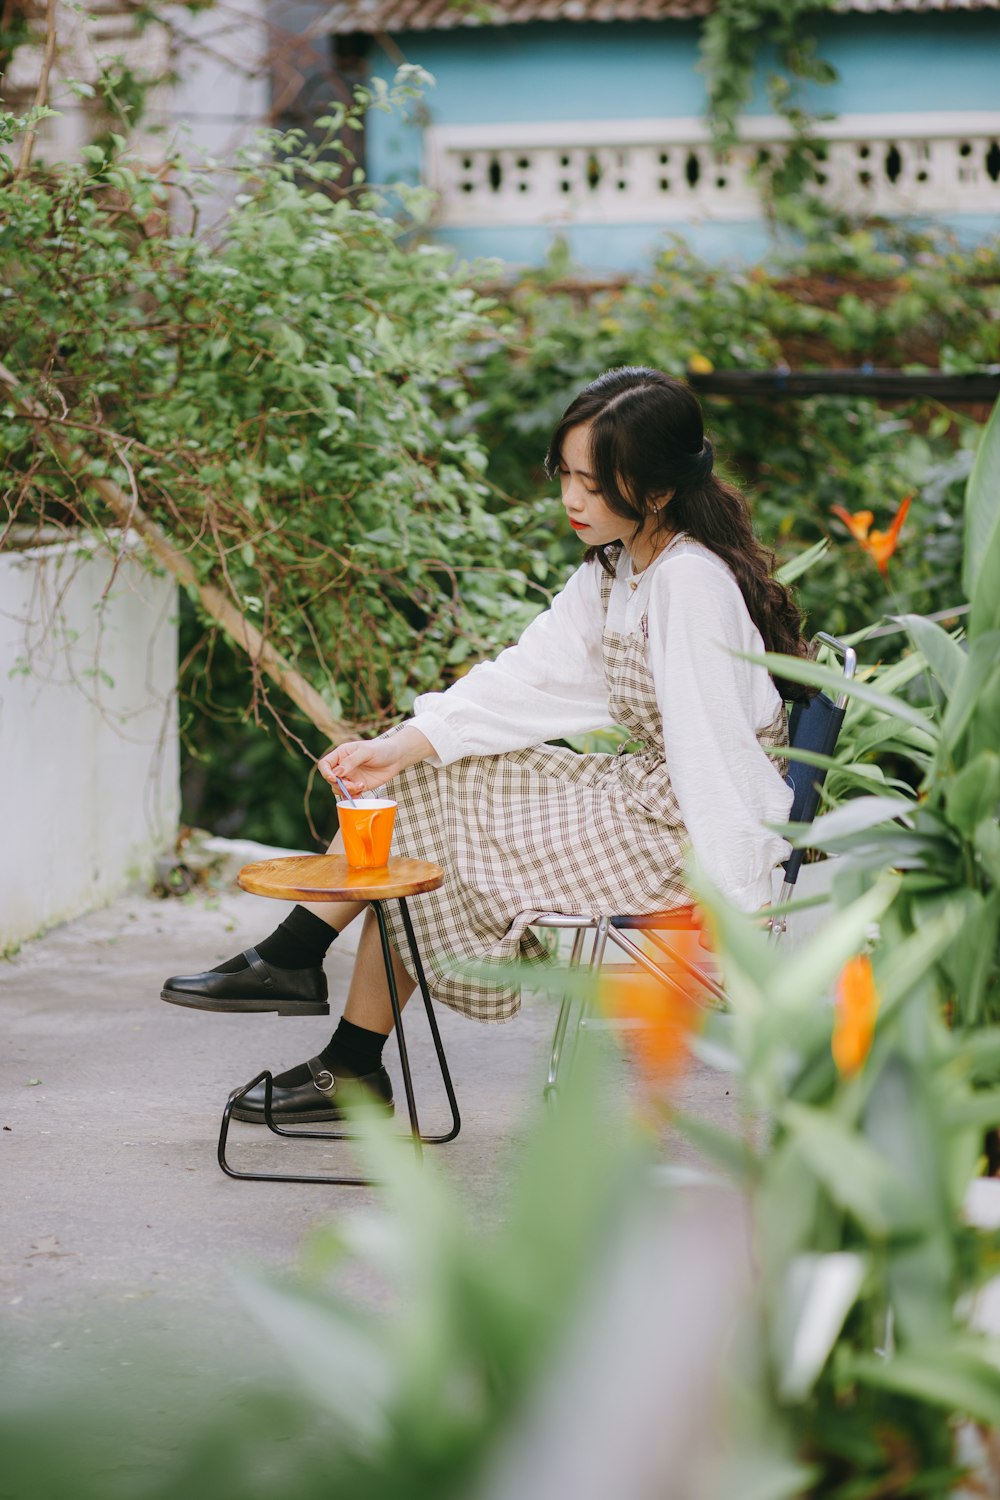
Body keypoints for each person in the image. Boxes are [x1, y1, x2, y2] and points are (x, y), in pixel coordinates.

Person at [162, 367, 808, 1123]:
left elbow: (715, 758)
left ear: (656, 491)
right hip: (650, 795)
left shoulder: (687, 584)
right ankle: (319, 1010)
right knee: (425, 783)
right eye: (564, 475)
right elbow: (528, 677)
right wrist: (404, 744)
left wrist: (745, 923)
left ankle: (319, 1011)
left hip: (682, 832)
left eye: (593, 485)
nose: (572, 499)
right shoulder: (619, 567)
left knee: (434, 823)